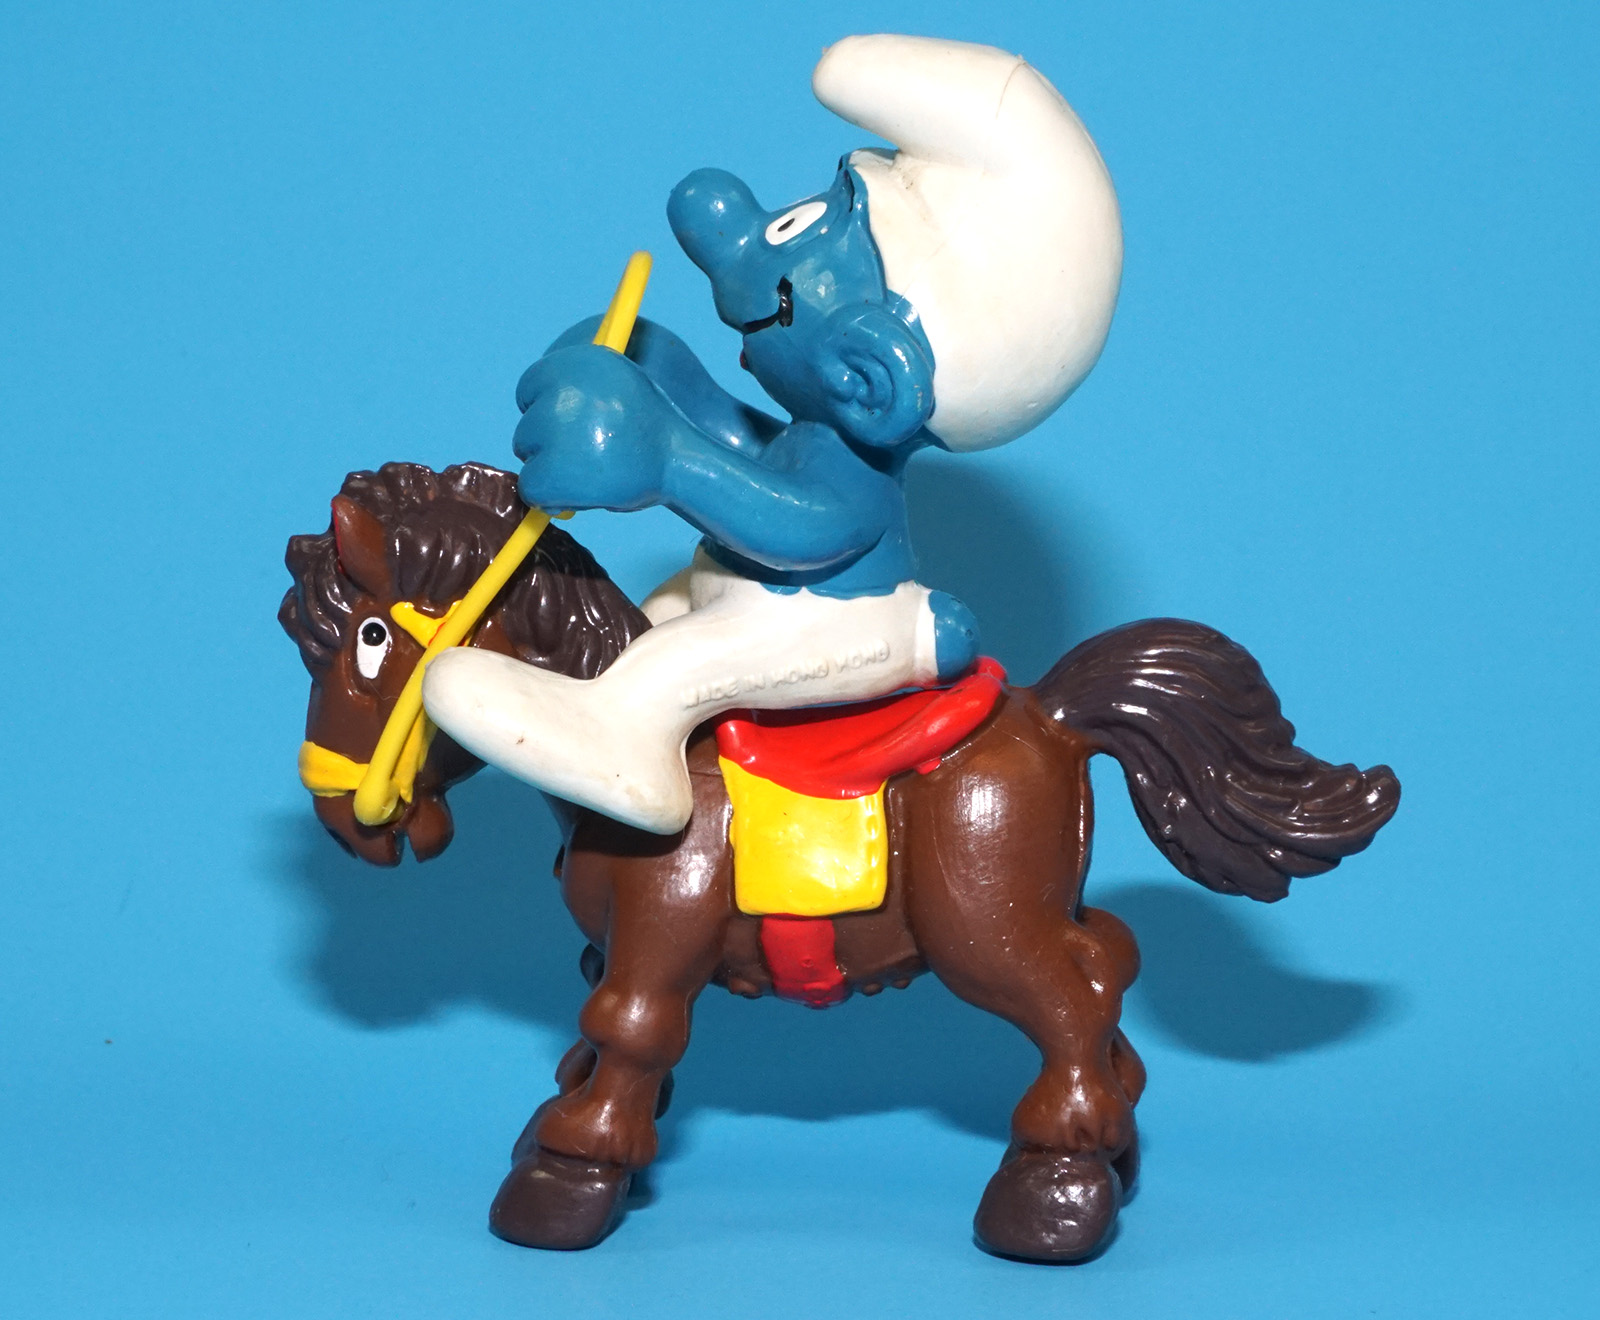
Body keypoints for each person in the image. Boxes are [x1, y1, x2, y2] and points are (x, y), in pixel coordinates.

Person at [422, 34, 1123, 834]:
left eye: (792, 240)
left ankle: (625, 750)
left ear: (865, 377)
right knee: (648, 618)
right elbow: (745, 445)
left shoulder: (849, 491)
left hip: (835, 622)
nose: (726, 224)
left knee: (673, 661)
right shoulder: (821, 434)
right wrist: (660, 369)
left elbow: (798, 530)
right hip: (758, 598)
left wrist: (665, 457)